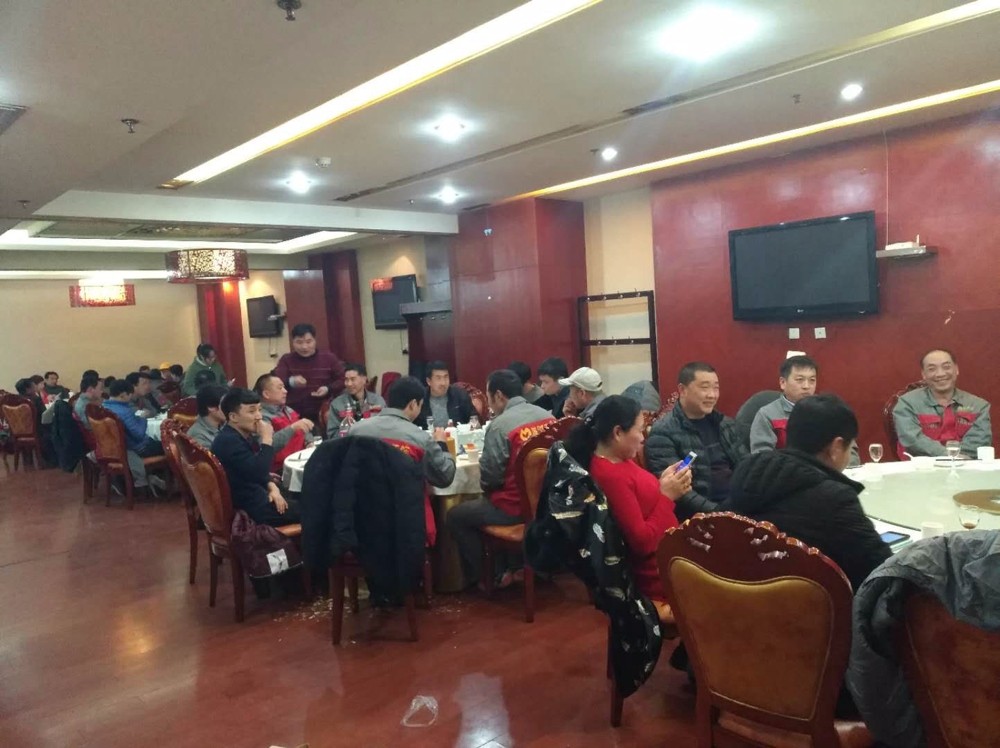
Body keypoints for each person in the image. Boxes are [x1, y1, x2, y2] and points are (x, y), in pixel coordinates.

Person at [728, 393, 891, 592]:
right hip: (811, 607)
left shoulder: (747, 473)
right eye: (850, 447)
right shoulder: (834, 498)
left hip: (741, 599)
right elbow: (883, 571)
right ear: (836, 447)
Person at [564, 395, 691, 621]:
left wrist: (661, 484)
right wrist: (667, 496)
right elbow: (641, 543)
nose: (643, 438)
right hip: (658, 572)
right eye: (640, 430)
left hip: (669, 555)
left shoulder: (619, 459)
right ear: (618, 433)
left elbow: (639, 500)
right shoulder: (610, 475)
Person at [447, 370, 554, 589]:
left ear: (498, 395)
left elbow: (490, 478)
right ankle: (521, 566)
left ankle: (489, 575)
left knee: (456, 515)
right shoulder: (548, 418)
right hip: (549, 505)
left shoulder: (500, 426)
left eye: (488, 397)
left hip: (514, 508)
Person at [350, 376, 457, 547]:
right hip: (406, 522)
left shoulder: (355, 430)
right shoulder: (419, 438)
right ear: (413, 404)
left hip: (362, 518)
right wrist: (442, 444)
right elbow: (444, 477)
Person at [644, 362, 748, 520]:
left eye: (716, 388)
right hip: (701, 516)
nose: (712, 395)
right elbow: (679, 491)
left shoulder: (725, 424)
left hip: (737, 504)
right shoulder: (663, 432)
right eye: (704, 388)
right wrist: (718, 512)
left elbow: (746, 465)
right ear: (682, 390)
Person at [212, 388, 300, 527]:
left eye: (259, 410)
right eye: (252, 411)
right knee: (316, 507)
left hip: (258, 494)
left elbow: (253, 469)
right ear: (233, 417)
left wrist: (271, 486)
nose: (259, 416)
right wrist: (267, 439)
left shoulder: (236, 435)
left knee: (303, 493)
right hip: (252, 509)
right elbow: (259, 472)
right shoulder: (228, 442)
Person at [892, 348, 992, 458]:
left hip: (966, 465)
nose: (940, 374)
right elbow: (912, 440)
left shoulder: (978, 406)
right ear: (924, 374)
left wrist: (957, 460)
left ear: (956, 370)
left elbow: (979, 442)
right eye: (932, 369)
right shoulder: (907, 404)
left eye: (946, 367)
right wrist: (948, 456)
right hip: (921, 466)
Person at [272, 323, 345, 423]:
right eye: (299, 342)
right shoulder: (286, 360)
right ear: (293, 342)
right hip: (293, 412)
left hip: (323, 411)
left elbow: (343, 380)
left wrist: (328, 388)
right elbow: (275, 383)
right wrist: (291, 382)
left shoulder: (329, 358)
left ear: (315, 340)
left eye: (308, 342)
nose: (304, 347)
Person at [102, 379, 165, 492]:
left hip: (115, 450)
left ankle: (154, 478)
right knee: (171, 446)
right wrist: (142, 420)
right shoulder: (123, 411)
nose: (130, 398)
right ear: (123, 395)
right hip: (137, 449)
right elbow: (139, 434)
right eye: (129, 396)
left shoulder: (104, 408)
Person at [750, 355, 819, 452]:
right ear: (783, 382)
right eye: (800, 380)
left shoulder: (823, 411)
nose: (806, 386)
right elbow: (762, 457)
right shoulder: (767, 415)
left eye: (812, 380)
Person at [254, 374, 315, 471]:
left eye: (284, 387)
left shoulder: (288, 409)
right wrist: (292, 428)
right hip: (279, 468)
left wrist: (309, 442)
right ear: (266, 394)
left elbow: (303, 428)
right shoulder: (260, 416)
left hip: (301, 460)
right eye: (280, 388)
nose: (285, 391)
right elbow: (267, 446)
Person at [325, 363, 386, 438]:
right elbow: (332, 434)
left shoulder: (378, 401)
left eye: (353, 379)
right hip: (349, 443)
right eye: (346, 380)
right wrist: (352, 431)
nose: (349, 384)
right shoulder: (337, 404)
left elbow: (386, 427)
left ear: (364, 379)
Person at [416, 360, 474, 429]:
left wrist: (471, 425)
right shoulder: (419, 398)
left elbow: (475, 419)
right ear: (429, 381)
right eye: (438, 378)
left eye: (446, 377)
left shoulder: (460, 395)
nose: (443, 383)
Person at [186, 384, 229, 449]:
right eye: (225, 405)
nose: (230, 409)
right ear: (211, 407)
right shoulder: (198, 436)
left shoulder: (224, 424)